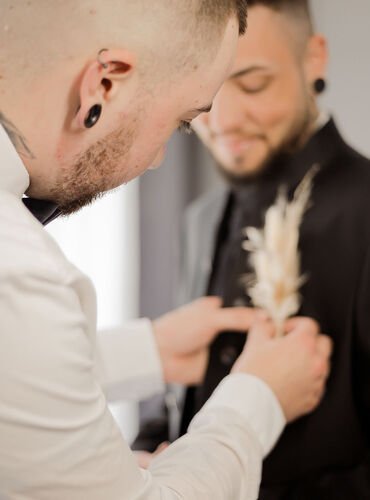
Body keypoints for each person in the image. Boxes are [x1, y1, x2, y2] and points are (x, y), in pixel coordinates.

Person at [134, 1, 370, 498]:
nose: (224, 118)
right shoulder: (199, 220)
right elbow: (179, 405)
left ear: (313, 59)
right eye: (208, 89)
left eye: (253, 83)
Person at [0, 1, 333, 499]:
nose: (159, 160)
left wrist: (149, 352)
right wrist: (255, 399)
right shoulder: (24, 272)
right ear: (104, 84)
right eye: (183, 120)